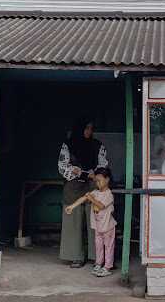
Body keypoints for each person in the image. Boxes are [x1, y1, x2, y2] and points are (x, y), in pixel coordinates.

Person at [58, 117, 108, 268]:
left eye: (91, 129)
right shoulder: (67, 145)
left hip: (93, 186)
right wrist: (81, 174)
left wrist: (91, 174)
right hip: (73, 188)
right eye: (86, 128)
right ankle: (75, 256)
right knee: (73, 222)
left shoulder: (97, 145)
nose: (89, 131)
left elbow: (103, 165)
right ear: (79, 129)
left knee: (95, 222)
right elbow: (62, 166)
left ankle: (96, 257)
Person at [65, 168, 116, 277]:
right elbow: (83, 198)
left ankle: (107, 267)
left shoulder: (109, 194)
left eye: (99, 180)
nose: (97, 183)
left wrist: (91, 198)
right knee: (98, 246)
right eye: (96, 181)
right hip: (98, 226)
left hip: (108, 227)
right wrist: (72, 206)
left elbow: (101, 206)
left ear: (107, 180)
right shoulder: (95, 192)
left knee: (108, 246)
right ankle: (98, 264)